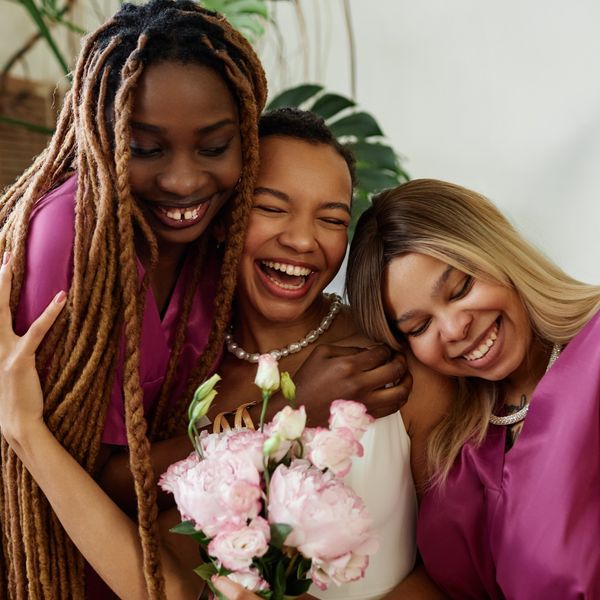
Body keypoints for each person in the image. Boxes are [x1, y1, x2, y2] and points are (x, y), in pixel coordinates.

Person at [0, 113, 448, 599]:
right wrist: (285, 415)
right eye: (272, 208)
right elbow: (145, 550)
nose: (302, 240)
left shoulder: (394, 358)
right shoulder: (185, 372)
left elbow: (463, 573)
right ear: (221, 221)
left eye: (332, 219)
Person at [0, 1, 267, 597]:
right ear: (104, 133)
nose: (183, 181)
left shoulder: (218, 233)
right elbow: (78, 474)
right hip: (56, 558)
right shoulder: (71, 239)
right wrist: (274, 417)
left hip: (155, 550)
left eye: (213, 146)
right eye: (146, 149)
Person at [346, 179, 600, 599]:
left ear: (498, 250)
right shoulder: (461, 456)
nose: (454, 328)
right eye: (419, 326)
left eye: (460, 288)